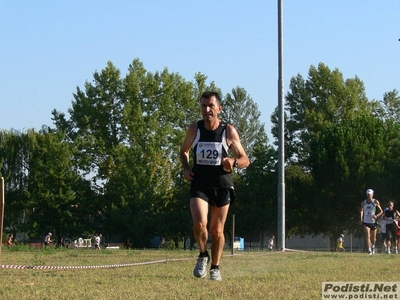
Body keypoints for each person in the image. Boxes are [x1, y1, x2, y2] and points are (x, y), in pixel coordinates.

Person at [180, 91, 250, 281]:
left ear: (219, 108)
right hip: (200, 183)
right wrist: (186, 168)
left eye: (211, 106)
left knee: (217, 230)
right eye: (204, 106)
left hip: (222, 185)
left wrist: (234, 162)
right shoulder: (194, 129)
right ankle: (203, 254)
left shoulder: (229, 131)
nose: (207, 110)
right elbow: (184, 151)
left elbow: (246, 160)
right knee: (199, 223)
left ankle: (215, 268)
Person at [360, 189, 383, 254]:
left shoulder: (375, 202)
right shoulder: (363, 202)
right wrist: (361, 219)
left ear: (372, 194)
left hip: (373, 221)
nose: (369, 196)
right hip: (366, 221)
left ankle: (373, 246)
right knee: (367, 235)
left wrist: (376, 215)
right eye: (368, 194)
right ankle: (369, 249)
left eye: (370, 194)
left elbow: (381, 211)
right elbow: (361, 210)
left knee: (373, 238)